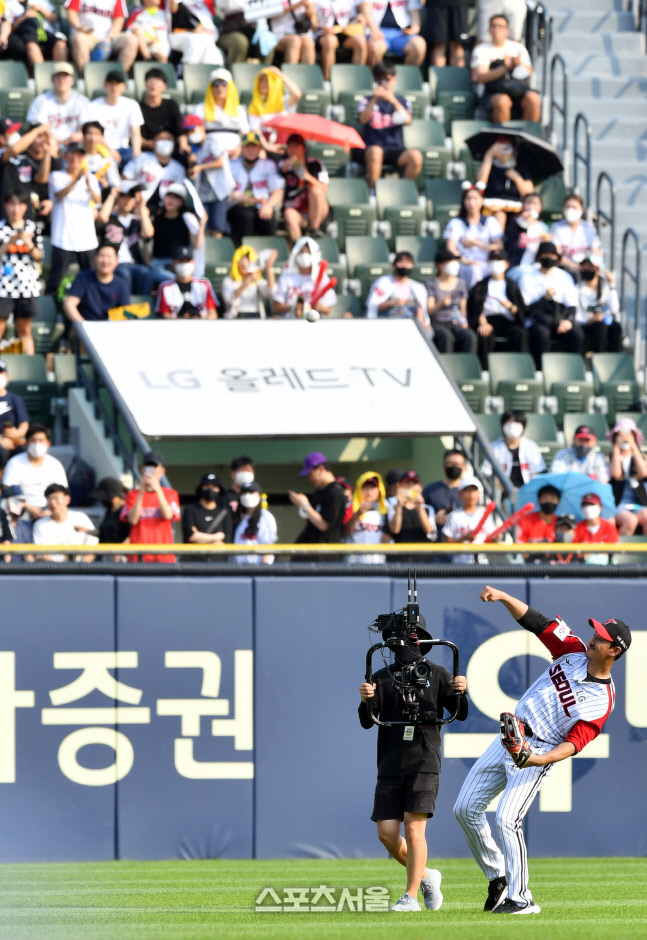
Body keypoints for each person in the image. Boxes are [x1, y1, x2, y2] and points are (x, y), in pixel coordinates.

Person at [454, 584, 630, 914]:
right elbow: (538, 622)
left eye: (602, 637)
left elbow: (574, 743)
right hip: (511, 736)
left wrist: (538, 759)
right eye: (596, 632)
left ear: (614, 651)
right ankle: (498, 878)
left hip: (537, 750)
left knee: (507, 819)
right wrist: (505, 597)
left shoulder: (601, 701)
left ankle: (521, 899)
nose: (593, 637)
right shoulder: (573, 651)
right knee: (464, 809)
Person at [358, 612, 467, 912]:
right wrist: (366, 700)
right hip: (391, 762)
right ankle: (427, 876)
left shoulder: (438, 673)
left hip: (424, 760)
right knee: (387, 833)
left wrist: (461, 692)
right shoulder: (381, 677)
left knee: (414, 829)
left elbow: (460, 711)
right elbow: (368, 722)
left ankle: (410, 896)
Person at [357, 61, 422, 193]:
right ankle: (373, 191)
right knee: (376, 152)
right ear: (375, 79)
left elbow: (408, 120)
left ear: (394, 79)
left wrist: (392, 100)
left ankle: (406, 192)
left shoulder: (402, 101)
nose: (384, 82)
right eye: (380, 78)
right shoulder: (366, 100)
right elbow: (362, 120)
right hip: (372, 147)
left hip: (394, 148)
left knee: (415, 156)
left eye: (387, 79)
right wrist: (375, 99)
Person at [46, 142, 100, 295]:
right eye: (72, 154)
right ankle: (51, 312)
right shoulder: (56, 176)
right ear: (65, 156)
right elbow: (59, 194)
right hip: (63, 236)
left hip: (86, 237)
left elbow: (97, 200)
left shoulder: (90, 178)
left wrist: (88, 182)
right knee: (56, 278)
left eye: (80, 155)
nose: (76, 158)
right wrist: (77, 179)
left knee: (91, 276)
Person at [518, 241, 582, 368]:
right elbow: (525, 310)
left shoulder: (564, 276)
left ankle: (573, 370)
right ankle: (540, 371)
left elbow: (572, 305)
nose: (549, 258)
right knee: (541, 334)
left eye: (552, 255)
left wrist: (568, 321)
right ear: (538, 257)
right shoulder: (527, 278)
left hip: (559, 319)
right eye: (545, 254)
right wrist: (544, 298)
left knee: (576, 335)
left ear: (557, 258)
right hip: (537, 320)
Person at [470, 13, 540, 124]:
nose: (497, 29)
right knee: (503, 101)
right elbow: (482, 77)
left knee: (533, 99)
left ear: (507, 30)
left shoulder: (518, 48)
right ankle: (504, 138)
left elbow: (529, 73)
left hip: (518, 89)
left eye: (500, 26)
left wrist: (519, 63)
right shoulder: (481, 49)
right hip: (493, 92)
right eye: (493, 26)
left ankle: (528, 137)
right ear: (489, 29)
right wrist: (504, 67)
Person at [0, 188, 43, 356]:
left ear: (25, 207)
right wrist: (8, 242)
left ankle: (30, 365)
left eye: (19, 204)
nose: (15, 208)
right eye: (12, 204)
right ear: (5, 205)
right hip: (4, 285)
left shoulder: (33, 229)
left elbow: (39, 256)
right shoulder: (1, 228)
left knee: (25, 330)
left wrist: (27, 242)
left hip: (27, 285)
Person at [467, 248, 527, 368]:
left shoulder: (512, 286)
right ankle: (484, 370)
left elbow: (521, 312)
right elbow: (475, 308)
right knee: (484, 334)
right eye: (492, 260)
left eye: (499, 260)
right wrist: (482, 322)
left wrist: (511, 307)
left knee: (520, 334)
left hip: (507, 321)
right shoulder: (480, 286)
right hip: (488, 321)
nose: (495, 264)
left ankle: (522, 368)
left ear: (506, 264)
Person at [96, 181, 156, 295]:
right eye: (124, 197)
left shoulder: (136, 221)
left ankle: (141, 307)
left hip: (134, 263)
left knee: (145, 273)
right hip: (113, 263)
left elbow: (148, 233)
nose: (127, 201)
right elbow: (102, 218)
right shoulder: (110, 218)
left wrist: (142, 207)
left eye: (131, 198)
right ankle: (125, 306)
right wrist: (112, 195)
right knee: (124, 274)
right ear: (118, 199)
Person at [121, 450, 180, 563]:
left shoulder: (171, 494)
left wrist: (157, 489)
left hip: (164, 556)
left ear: (162, 471)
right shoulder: (132, 495)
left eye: (155, 466)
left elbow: (168, 516)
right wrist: (141, 492)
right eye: (148, 466)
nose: (152, 470)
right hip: (138, 556)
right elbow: (132, 520)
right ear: (142, 469)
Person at [227, 131, 285, 244]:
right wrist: (237, 196)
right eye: (247, 147)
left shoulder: (268, 165)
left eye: (254, 146)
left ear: (259, 149)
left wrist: (269, 205)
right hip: (238, 206)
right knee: (245, 217)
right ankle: (242, 254)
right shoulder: (231, 165)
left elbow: (277, 190)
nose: (250, 150)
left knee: (268, 218)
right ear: (242, 148)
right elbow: (227, 191)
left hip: (262, 206)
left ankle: (267, 254)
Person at [0, 123, 60, 231]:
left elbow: (41, 178)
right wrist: (37, 131)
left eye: (16, 132)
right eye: (11, 133)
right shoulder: (4, 154)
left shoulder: (25, 158)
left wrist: (47, 152)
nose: (16, 135)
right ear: (1, 138)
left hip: (25, 217)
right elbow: (13, 150)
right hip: (5, 218)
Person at [3, 423, 68, 521]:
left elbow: (62, 492)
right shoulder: (15, 462)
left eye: (41, 440)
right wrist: (27, 506)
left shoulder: (55, 464)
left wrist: (51, 510)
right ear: (26, 443)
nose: (37, 443)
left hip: (49, 508)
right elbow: (7, 488)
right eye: (33, 440)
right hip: (22, 509)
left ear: (48, 443)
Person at [443, 184, 504, 289]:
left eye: (475, 198)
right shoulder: (456, 222)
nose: (471, 203)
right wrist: (464, 260)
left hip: (486, 262)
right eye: (468, 199)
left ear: (481, 200)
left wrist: (477, 243)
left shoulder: (490, 221)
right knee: (473, 271)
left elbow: (499, 246)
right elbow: (450, 248)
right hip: (463, 264)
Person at [184, 115, 235, 237]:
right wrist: (192, 164)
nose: (191, 133)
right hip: (203, 193)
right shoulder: (194, 148)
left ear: (201, 128)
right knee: (202, 225)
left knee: (217, 227)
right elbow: (193, 172)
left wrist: (200, 167)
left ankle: (217, 254)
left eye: (193, 129)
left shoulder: (211, 140)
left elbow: (220, 162)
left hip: (219, 192)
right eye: (188, 131)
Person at [62, 242, 130, 327]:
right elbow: (69, 305)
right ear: (95, 259)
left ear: (116, 261)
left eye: (109, 257)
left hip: (110, 329)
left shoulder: (121, 284)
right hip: (84, 328)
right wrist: (84, 326)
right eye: (102, 256)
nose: (105, 261)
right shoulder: (83, 277)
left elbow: (126, 311)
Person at [27, 62, 91, 152]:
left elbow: (87, 128)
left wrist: (79, 135)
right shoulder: (41, 101)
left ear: (72, 80)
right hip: (51, 144)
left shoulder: (82, 101)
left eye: (65, 76)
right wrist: (60, 141)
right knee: (48, 143)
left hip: (76, 144)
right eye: (58, 77)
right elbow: (38, 130)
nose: (62, 80)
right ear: (52, 80)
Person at [475, 135, 534, 232]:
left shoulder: (521, 168)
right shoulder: (489, 166)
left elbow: (529, 193)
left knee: (526, 217)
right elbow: (480, 183)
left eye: (507, 145)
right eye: (499, 145)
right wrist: (489, 154)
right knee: (500, 215)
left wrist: (517, 178)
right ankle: (498, 244)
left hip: (515, 209)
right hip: (490, 208)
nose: (504, 149)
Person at [279, 133, 329, 243]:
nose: (292, 149)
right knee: (289, 214)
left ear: (304, 148)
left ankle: (314, 230)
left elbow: (324, 189)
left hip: (316, 210)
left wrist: (307, 177)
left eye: (296, 146)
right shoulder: (284, 164)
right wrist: (285, 168)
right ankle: (299, 248)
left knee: (316, 191)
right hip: (297, 210)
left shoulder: (316, 164)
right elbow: (278, 175)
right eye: (290, 146)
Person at [289, 450, 347, 543]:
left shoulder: (335, 492)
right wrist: (303, 508)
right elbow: (311, 522)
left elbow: (324, 526)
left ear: (321, 468)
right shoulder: (320, 491)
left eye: (311, 474)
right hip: (310, 549)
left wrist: (305, 505)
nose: (310, 479)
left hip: (325, 552)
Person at [151, 183, 206, 279]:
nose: (171, 200)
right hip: (159, 262)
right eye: (169, 196)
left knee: (183, 273)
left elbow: (197, 244)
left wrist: (202, 224)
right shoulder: (156, 217)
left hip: (180, 262)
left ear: (181, 203)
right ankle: (176, 281)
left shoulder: (187, 219)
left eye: (176, 198)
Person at [426, 248, 476, 354]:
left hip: (456, 322)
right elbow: (430, 310)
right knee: (446, 336)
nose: (455, 265)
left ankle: (467, 366)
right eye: (450, 262)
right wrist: (441, 303)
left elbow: (463, 308)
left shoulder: (461, 283)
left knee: (470, 336)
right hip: (438, 323)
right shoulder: (431, 283)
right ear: (440, 265)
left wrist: (463, 321)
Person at [191, 67, 249, 159]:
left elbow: (245, 134)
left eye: (224, 84)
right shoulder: (200, 108)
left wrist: (239, 149)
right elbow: (196, 134)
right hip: (209, 155)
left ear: (230, 86)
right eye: (215, 84)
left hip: (236, 155)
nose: (220, 88)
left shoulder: (239, 110)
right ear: (210, 87)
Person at [64, 0, 135, 75]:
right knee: (79, 39)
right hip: (85, 34)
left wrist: (109, 38)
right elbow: (71, 12)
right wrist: (78, 27)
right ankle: (85, 77)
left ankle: (119, 78)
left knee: (131, 40)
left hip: (108, 34)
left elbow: (119, 19)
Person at [32, 483, 97, 562]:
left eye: (56, 498)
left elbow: (92, 548)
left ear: (67, 499)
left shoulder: (81, 518)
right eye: (49, 498)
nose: (52, 502)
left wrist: (80, 569)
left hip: (81, 571)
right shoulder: (40, 525)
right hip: (52, 572)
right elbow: (41, 556)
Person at [273, 236, 337, 318]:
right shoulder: (285, 277)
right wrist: (294, 307)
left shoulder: (322, 278)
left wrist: (319, 307)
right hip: (290, 323)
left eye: (308, 252)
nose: (304, 255)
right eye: (301, 251)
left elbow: (328, 309)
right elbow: (276, 307)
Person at [90, 71, 144, 166]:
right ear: (105, 85)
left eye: (117, 84)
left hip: (125, 150)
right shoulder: (94, 105)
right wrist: (110, 150)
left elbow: (136, 133)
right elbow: (94, 133)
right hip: (101, 149)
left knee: (142, 162)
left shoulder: (132, 105)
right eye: (111, 83)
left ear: (124, 86)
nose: (114, 87)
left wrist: (137, 154)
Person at [480, 410, 545, 489]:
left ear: (523, 427)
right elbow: (487, 473)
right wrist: (509, 490)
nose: (512, 426)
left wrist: (525, 491)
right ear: (503, 425)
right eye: (509, 422)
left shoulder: (531, 447)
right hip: (501, 493)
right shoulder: (493, 448)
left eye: (517, 422)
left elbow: (535, 474)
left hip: (527, 492)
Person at [442, 476, 497, 563]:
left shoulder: (484, 513)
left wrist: (495, 538)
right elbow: (447, 544)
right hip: (460, 564)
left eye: (474, 490)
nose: (471, 494)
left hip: (482, 563)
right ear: (460, 494)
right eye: (467, 490)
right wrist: (464, 538)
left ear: (479, 493)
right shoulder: (454, 516)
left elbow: (492, 541)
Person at [247, 67, 302, 153]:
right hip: (265, 148)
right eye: (262, 80)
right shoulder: (255, 105)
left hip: (285, 147)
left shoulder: (284, 102)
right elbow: (256, 129)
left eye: (268, 80)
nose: (265, 83)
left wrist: (280, 75)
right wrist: (268, 147)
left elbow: (297, 94)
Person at [366, 251, 429, 327]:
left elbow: (421, 310)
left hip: (412, 326)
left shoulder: (418, 287)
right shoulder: (383, 283)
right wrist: (393, 302)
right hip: (387, 324)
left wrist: (422, 324)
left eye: (408, 262)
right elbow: (374, 306)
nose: (404, 265)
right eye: (401, 262)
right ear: (394, 265)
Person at [575, 253, 622, 354]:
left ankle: (613, 359)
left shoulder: (605, 287)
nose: (587, 269)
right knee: (599, 326)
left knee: (616, 327)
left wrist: (612, 285)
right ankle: (599, 360)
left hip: (602, 322)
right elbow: (577, 314)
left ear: (598, 270)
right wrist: (589, 319)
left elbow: (614, 309)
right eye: (585, 267)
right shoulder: (577, 288)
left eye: (591, 267)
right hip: (585, 325)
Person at [608, 418, 647, 536]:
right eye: (621, 434)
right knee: (630, 521)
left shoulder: (641, 457)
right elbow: (616, 474)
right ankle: (621, 554)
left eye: (629, 434)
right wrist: (616, 446)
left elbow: (644, 473)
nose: (625, 437)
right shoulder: (609, 457)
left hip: (638, 503)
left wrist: (633, 446)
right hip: (618, 504)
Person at [155, 246, 218, 319]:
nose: (184, 264)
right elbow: (165, 316)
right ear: (174, 263)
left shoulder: (203, 284)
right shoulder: (165, 287)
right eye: (181, 261)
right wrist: (184, 321)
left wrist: (199, 320)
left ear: (193, 262)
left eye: (187, 261)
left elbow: (212, 314)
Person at [359, 0, 426, 67]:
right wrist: (374, 29)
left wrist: (414, 29)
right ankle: (377, 76)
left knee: (419, 45)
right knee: (376, 48)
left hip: (401, 33)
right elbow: (365, 9)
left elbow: (414, 12)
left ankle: (406, 76)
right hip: (377, 31)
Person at [342, 471, 390, 564]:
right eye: (366, 487)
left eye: (373, 487)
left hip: (377, 562)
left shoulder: (385, 508)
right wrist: (357, 515)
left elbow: (392, 532)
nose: (369, 491)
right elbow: (344, 532)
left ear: (379, 490)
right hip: (353, 562)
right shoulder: (351, 506)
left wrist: (388, 537)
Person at [549, 194, 602, 276]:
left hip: (585, 270)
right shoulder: (556, 227)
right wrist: (575, 266)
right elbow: (557, 255)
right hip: (563, 269)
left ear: (581, 209)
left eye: (574, 207)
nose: (570, 210)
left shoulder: (589, 228)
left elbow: (596, 253)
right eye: (567, 207)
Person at [315, 0, 367, 80]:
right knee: (330, 41)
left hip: (345, 32)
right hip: (323, 34)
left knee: (360, 41)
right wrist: (321, 28)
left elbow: (355, 17)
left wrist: (359, 18)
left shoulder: (350, 2)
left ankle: (357, 80)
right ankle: (328, 80)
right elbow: (311, 21)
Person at [182, 471, 232, 553]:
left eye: (214, 486)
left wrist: (200, 538)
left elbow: (225, 542)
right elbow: (191, 536)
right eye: (207, 486)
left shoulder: (224, 512)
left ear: (219, 490)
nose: (210, 489)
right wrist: (216, 537)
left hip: (218, 561)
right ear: (201, 488)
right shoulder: (190, 509)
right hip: (194, 561)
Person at [221, 245, 277, 319]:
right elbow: (229, 299)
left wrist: (268, 267)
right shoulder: (228, 281)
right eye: (241, 260)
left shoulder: (257, 280)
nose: (244, 264)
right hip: (236, 319)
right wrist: (247, 281)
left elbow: (271, 292)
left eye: (248, 260)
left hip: (256, 318)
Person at [139, 67, 186, 153]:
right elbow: (136, 136)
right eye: (150, 81)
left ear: (164, 86)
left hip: (170, 148)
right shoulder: (137, 107)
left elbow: (179, 131)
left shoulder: (171, 105)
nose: (153, 85)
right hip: (148, 150)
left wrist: (183, 144)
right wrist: (150, 143)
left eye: (157, 81)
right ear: (145, 84)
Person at [387, 470, 435, 549]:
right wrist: (399, 506)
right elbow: (395, 530)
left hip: (421, 556)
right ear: (400, 486)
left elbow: (429, 531)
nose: (411, 487)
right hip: (398, 556)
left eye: (414, 483)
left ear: (420, 488)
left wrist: (420, 508)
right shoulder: (392, 507)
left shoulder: (427, 508)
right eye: (407, 483)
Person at [422, 449, 466, 534]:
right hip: (437, 542)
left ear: (464, 467)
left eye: (457, 464)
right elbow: (419, 516)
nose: (453, 467)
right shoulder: (430, 490)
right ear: (443, 465)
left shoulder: (470, 491)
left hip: (462, 543)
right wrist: (434, 518)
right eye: (450, 464)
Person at [233, 481, 277, 564]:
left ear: (259, 495)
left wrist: (264, 571)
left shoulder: (265, 516)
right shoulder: (240, 518)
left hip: (259, 569)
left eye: (251, 492)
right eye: (244, 493)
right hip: (241, 570)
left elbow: (268, 545)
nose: (247, 495)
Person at [168, 0, 223, 65]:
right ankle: (188, 70)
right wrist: (192, 31)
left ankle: (209, 70)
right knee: (193, 41)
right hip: (176, 35)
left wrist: (201, 30)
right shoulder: (176, 4)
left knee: (211, 48)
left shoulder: (198, 5)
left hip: (198, 35)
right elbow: (173, 9)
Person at [504, 192, 548, 272]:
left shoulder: (543, 226)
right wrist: (524, 220)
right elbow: (512, 245)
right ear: (523, 206)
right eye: (528, 203)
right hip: (516, 266)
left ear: (540, 207)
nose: (531, 206)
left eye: (535, 203)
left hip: (535, 266)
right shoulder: (516, 222)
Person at [0, 357, 29, 467]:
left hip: (14, 440)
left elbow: (24, 423)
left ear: (6, 376)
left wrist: (16, 434)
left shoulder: (15, 399)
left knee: (23, 451)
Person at [269, 0, 316, 65]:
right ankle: (290, 74)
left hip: (302, 33)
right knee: (295, 41)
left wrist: (309, 10)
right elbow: (272, 15)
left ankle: (308, 74)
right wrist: (294, 6)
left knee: (308, 42)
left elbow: (314, 24)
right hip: (280, 33)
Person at [125, 0, 170, 67]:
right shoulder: (138, 12)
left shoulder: (165, 11)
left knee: (162, 56)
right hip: (145, 44)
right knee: (138, 33)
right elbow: (130, 30)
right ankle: (147, 59)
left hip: (162, 43)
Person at [426, 0, 469, 67]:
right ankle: (439, 76)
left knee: (457, 44)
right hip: (437, 4)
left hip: (459, 4)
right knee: (439, 43)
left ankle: (458, 77)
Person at [91, 476, 130, 544]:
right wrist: (85, 530)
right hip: (105, 552)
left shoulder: (125, 510)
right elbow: (103, 532)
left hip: (118, 553)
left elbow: (130, 536)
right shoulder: (109, 510)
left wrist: (119, 552)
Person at [222, 454, 254, 526]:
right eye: (242, 470)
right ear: (233, 474)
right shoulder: (225, 497)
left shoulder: (254, 496)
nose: (246, 473)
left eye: (248, 470)